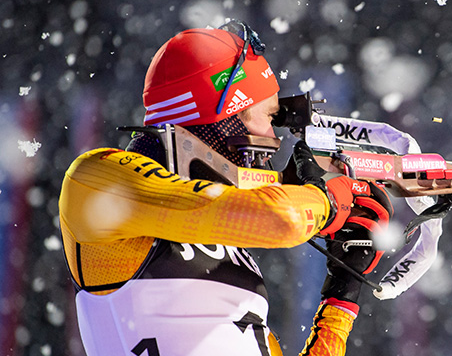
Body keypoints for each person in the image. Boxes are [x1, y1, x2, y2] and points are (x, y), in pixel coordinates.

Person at [58, 20, 393, 355]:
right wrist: (329, 199)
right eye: (269, 116)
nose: (275, 137)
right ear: (224, 118)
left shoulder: (230, 248)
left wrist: (340, 299)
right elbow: (281, 220)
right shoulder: (97, 178)